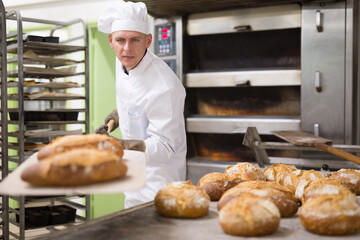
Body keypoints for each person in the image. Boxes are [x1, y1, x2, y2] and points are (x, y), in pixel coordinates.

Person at [96, 1, 187, 209]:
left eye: (134, 40)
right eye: (120, 40)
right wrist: (116, 116)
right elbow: (133, 98)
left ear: (148, 40)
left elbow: (164, 147)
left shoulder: (165, 86)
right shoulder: (123, 63)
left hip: (160, 187)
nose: (127, 49)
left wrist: (120, 146)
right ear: (111, 40)